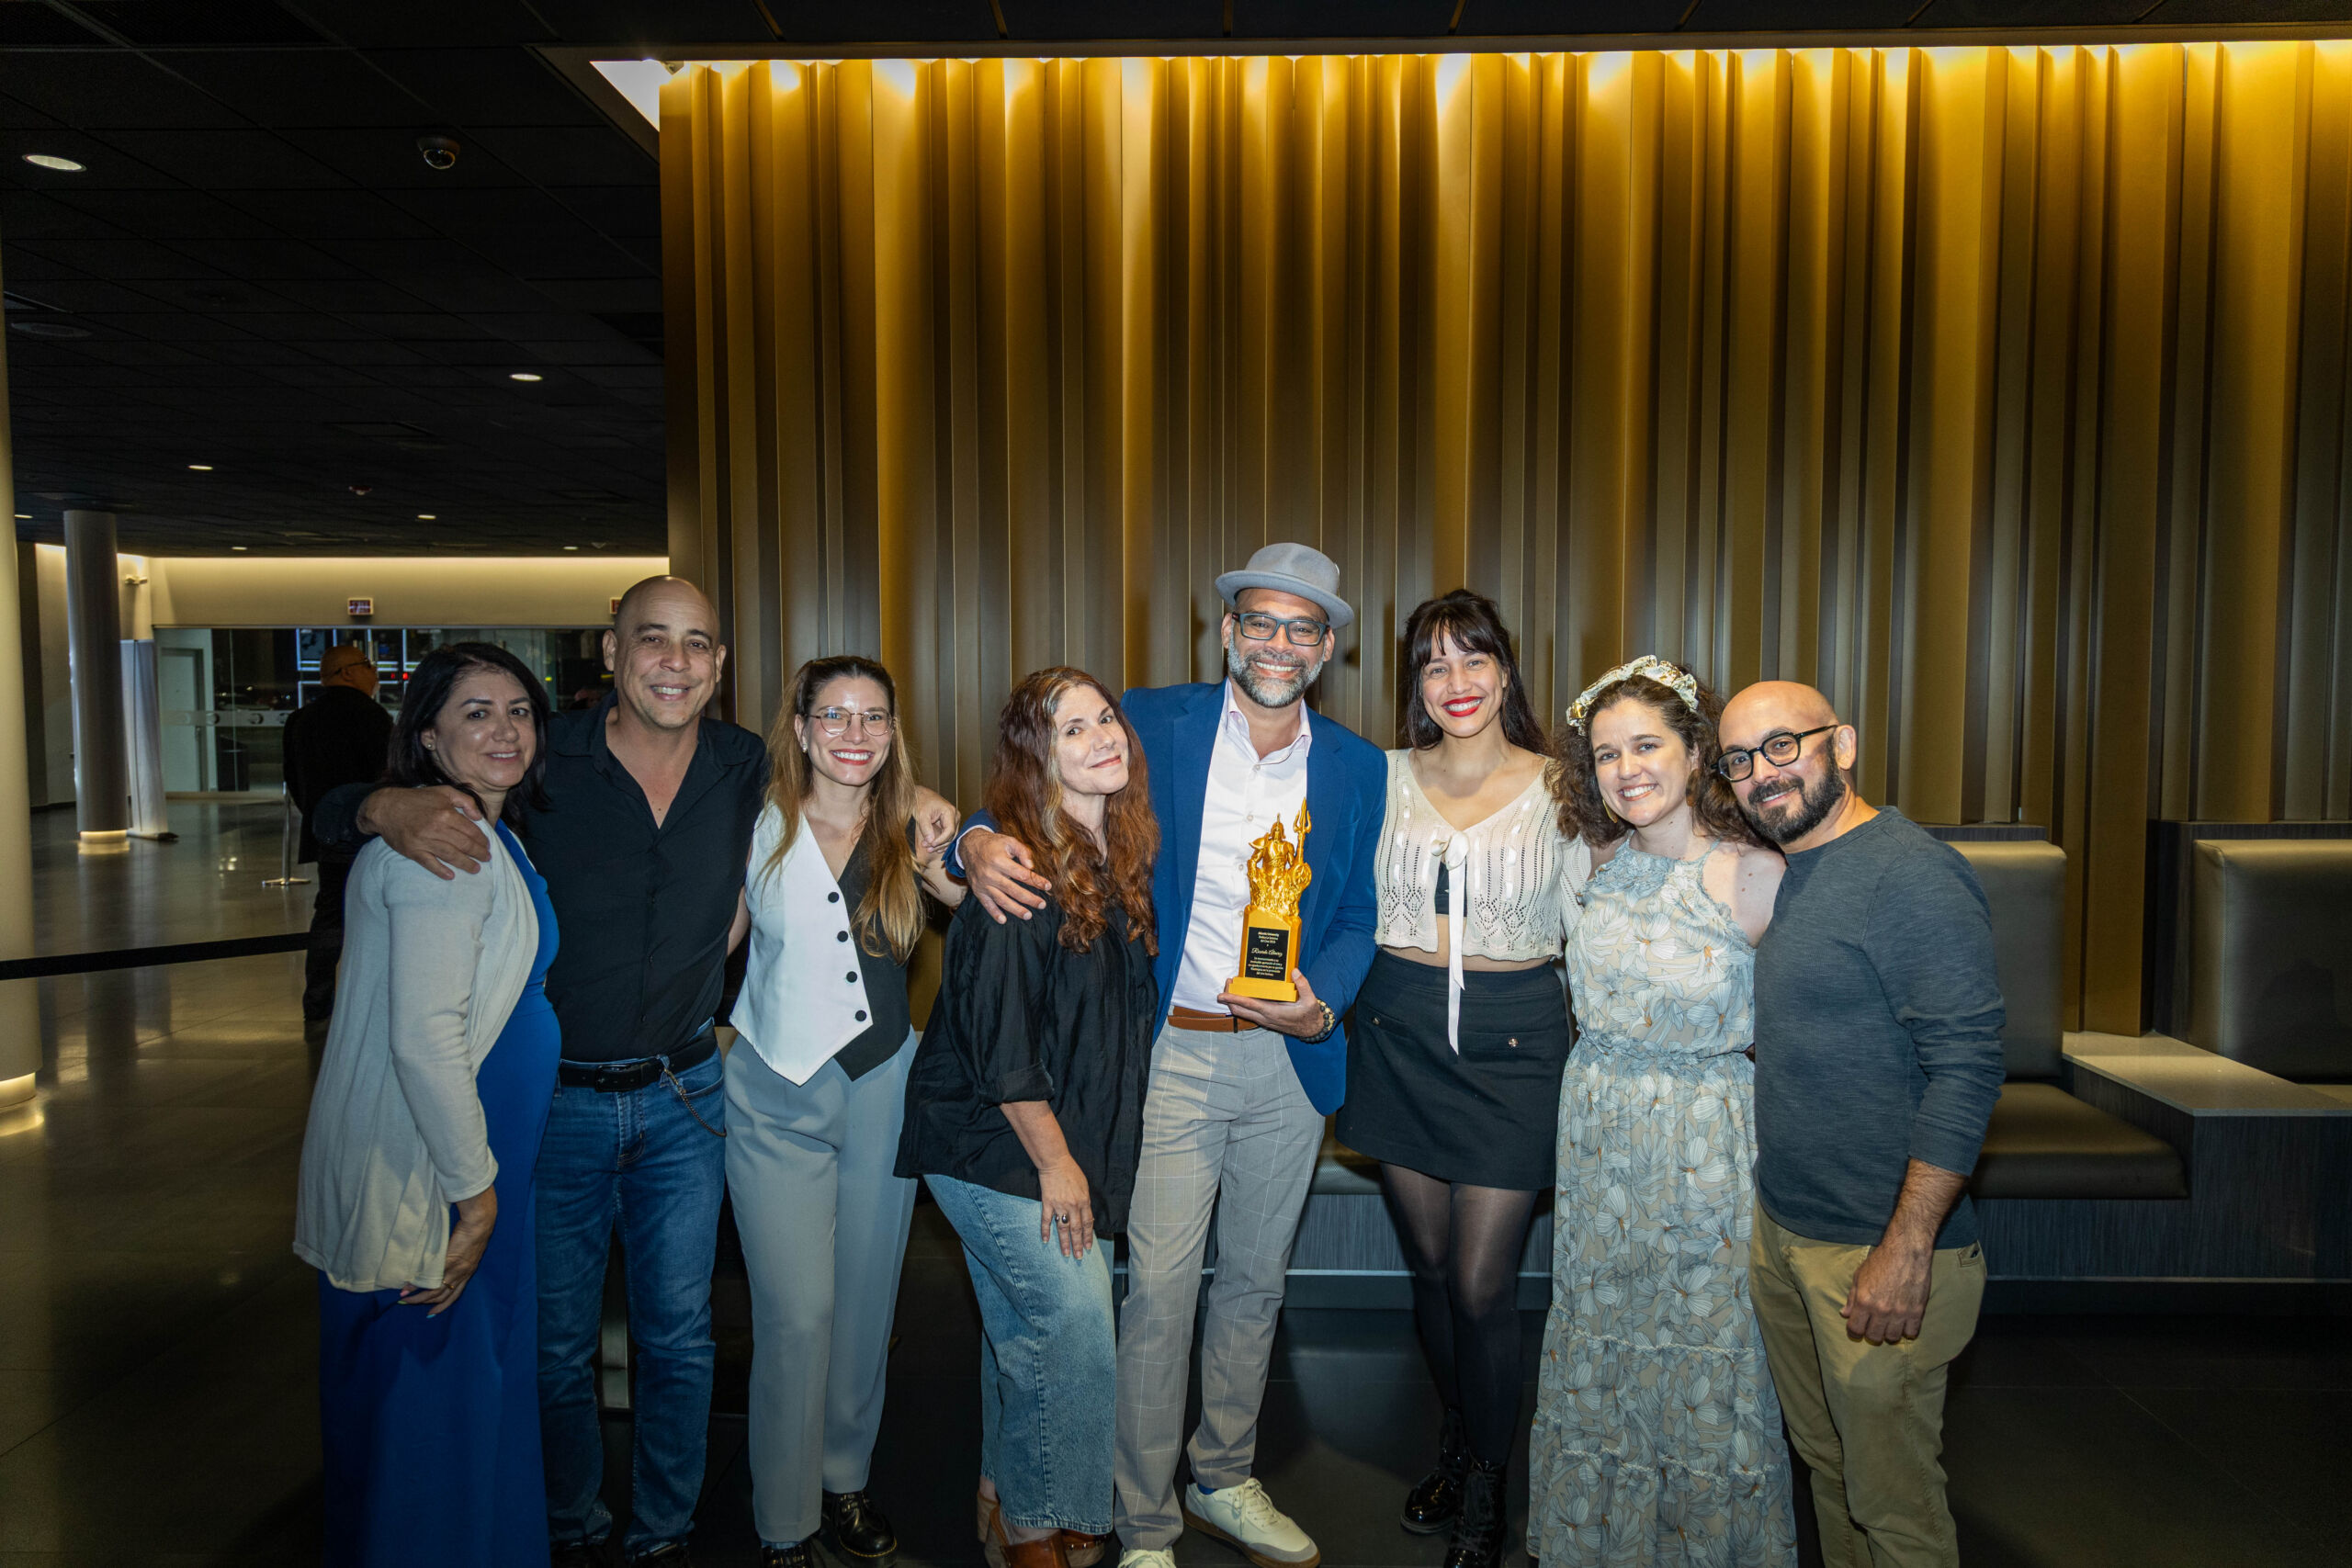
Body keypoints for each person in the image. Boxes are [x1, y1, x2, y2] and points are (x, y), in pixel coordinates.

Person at [309, 579, 956, 1567]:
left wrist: (947, 812)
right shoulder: (536, 759)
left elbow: (858, 784)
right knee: (557, 1346)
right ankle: (569, 1525)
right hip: (556, 1102)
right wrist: (381, 802)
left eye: (698, 644)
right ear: (612, 653)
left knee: (684, 1339)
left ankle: (667, 1528)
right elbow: (356, 805)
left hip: (686, 1095)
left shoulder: (745, 768)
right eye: (652, 639)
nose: (675, 660)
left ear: (720, 668)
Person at [957, 543, 1386, 1568]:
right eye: (1260, 622)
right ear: (1227, 631)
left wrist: (1320, 1006)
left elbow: (1361, 913)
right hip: (1174, 1055)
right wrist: (969, 841)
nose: (1278, 643)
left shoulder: (1359, 766)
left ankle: (1224, 1476)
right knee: (1158, 1288)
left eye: (1302, 628)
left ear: (1326, 649)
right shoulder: (1153, 722)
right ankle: (1143, 1520)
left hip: (1289, 1063)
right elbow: (1028, 780)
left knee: (1254, 1283)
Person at [1717, 682, 2004, 1568]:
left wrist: (1908, 1243)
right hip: (1790, 1233)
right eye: (1738, 761)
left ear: (1840, 743)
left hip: (1881, 1250)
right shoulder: (1797, 871)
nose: (1762, 775)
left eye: (1781, 746)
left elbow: (1967, 1064)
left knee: (1896, 1507)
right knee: (1831, 1474)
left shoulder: (1909, 873)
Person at [1332, 591, 1588, 1568]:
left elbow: (1613, 904)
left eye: (1474, 658)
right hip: (1395, 1038)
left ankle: (1488, 1483)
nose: (1458, 681)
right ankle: (1454, 1437)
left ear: (1506, 670)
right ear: (1416, 684)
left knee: (1485, 1284)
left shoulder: (1563, 784)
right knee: (1432, 1274)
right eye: (1435, 664)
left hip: (1515, 1046)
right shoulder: (1376, 776)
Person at [1527, 655, 1797, 1568]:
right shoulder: (1598, 863)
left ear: (1693, 753)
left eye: (1646, 745)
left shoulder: (1755, 875)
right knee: (1600, 1344)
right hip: (1599, 1139)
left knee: (1704, 1348)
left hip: (1707, 1146)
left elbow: (1806, 1032)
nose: (1626, 768)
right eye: (1605, 754)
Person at [294, 642, 560, 1567]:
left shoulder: (488, 829)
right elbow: (423, 1039)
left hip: (474, 1151)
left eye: (519, 710)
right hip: (440, 1164)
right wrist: (474, 1191)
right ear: (431, 736)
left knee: (465, 1389)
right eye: (477, 712)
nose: (504, 729)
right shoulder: (441, 841)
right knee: (433, 1400)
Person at [898, 668, 1165, 1568]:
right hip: (989, 1140)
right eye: (1070, 730)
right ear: (1034, 756)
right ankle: (1043, 1526)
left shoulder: (1118, 858)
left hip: (1056, 1136)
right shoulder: (1017, 872)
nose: (1100, 738)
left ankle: (1007, 1495)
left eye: (1104, 720)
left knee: (1023, 1334)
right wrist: (1058, 1167)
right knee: (1077, 1328)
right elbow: (1005, 1057)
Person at [724, 657, 967, 1568]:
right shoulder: (751, 824)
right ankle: (782, 1520)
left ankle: (843, 1481)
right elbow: (709, 940)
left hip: (881, 1083)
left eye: (873, 717)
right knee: (795, 1311)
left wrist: (958, 828)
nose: (854, 734)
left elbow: (974, 901)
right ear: (799, 728)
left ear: (893, 731)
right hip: (773, 1083)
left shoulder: (911, 827)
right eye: (835, 715)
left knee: (866, 1303)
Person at [282, 642, 394, 1042]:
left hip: (327, 837)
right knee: (380, 919)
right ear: (346, 672)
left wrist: (323, 819)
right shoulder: (372, 717)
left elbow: (294, 781)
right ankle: (373, 1011)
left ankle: (318, 1005)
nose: (373, 672)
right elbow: (389, 778)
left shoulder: (301, 719)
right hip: (373, 837)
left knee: (329, 918)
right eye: (366, 665)